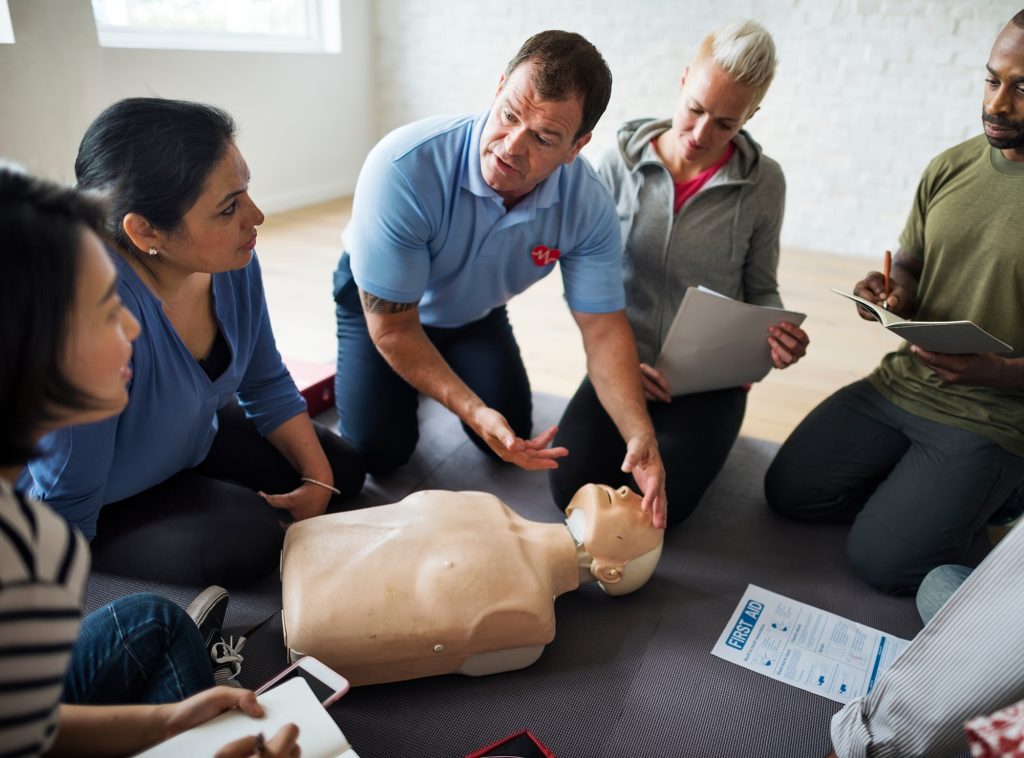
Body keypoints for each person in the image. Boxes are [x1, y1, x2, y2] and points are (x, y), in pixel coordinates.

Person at [0, 166, 300, 757]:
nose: (134, 323)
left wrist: (163, 727)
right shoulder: (26, 553)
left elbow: (18, 724)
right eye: (102, 309)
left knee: (155, 622)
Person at [19, 98, 366, 588]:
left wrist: (316, 478)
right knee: (251, 538)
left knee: (341, 471)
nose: (257, 216)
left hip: (185, 435)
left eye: (246, 191)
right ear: (144, 231)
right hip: (95, 495)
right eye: (229, 207)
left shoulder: (232, 259)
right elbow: (64, 493)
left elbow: (265, 381)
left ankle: (201, 485)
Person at [333, 30, 668, 527]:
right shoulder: (402, 167)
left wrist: (638, 432)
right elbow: (394, 329)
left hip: (475, 312)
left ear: (577, 146)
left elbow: (602, 329)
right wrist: (471, 408)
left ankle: (432, 374)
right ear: (498, 88)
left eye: (544, 137)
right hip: (385, 311)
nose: (511, 146)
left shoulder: (589, 204)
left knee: (511, 431)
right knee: (380, 452)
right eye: (510, 114)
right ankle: (413, 382)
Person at [766, 11, 1024, 594]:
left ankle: (1000, 496)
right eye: (992, 80)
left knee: (886, 564)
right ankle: (924, 499)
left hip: (996, 413)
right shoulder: (951, 167)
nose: (998, 103)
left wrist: (1001, 371)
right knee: (790, 492)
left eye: (1022, 88)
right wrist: (892, 291)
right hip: (903, 381)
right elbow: (910, 261)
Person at [548, 20, 808, 527]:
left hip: (706, 381)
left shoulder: (764, 183)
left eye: (726, 124)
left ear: (751, 116)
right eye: (696, 109)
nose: (701, 134)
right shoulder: (617, 165)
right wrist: (620, 363)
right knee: (568, 483)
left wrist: (776, 334)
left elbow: (761, 287)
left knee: (661, 506)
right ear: (684, 80)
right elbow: (583, 275)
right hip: (624, 364)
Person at [280, 483, 663, 686]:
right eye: (628, 491)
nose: (629, 492)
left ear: (610, 571)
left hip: (314, 621)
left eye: (639, 520)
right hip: (309, 554)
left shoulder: (527, 613)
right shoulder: (487, 503)